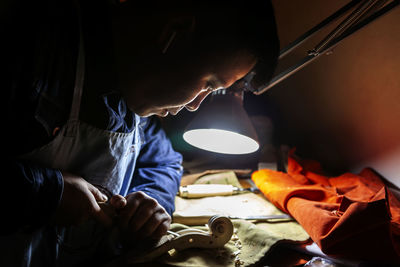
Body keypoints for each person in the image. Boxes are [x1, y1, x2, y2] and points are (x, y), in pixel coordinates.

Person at [2, 0, 279, 266]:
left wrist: (150, 204)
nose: (195, 105)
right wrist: (47, 193)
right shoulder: (33, 48)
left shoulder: (134, 95)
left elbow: (163, 161)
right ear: (175, 32)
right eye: (208, 83)